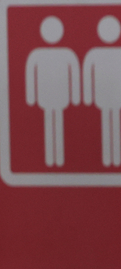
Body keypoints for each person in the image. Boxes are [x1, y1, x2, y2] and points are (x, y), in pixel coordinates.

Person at [82, 15, 121, 167]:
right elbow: (87, 74)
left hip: (118, 97)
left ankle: (115, 158)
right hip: (103, 97)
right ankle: (108, 158)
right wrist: (87, 96)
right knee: (107, 123)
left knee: (114, 124)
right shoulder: (94, 54)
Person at [24, 16, 80, 167]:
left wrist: (76, 96)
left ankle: (58, 159)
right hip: (46, 97)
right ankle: (51, 159)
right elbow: (31, 76)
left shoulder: (67, 54)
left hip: (60, 97)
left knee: (57, 124)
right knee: (50, 125)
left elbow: (74, 74)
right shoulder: (36, 55)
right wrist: (31, 97)